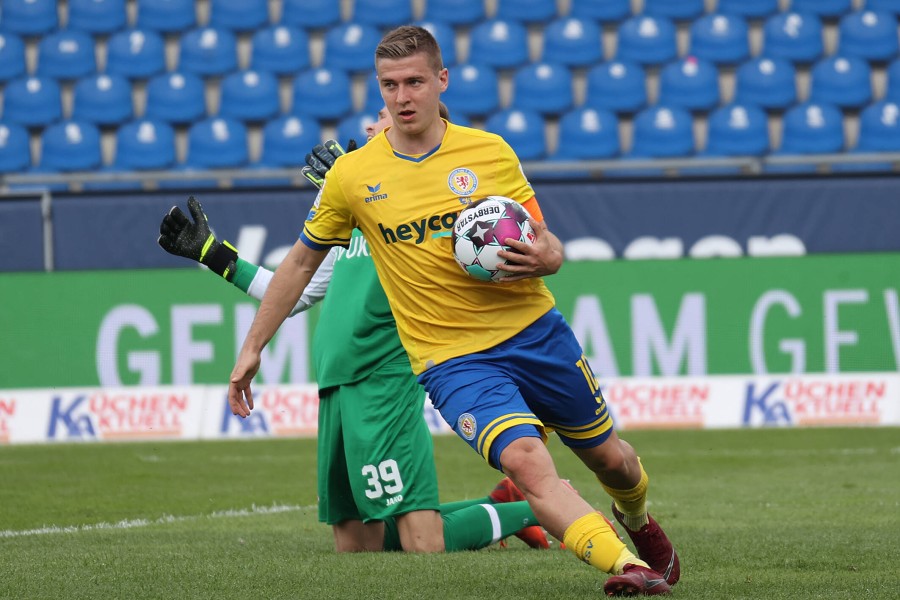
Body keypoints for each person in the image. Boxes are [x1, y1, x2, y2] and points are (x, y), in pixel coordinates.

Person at [228, 25, 679, 595]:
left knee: (611, 461)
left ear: (441, 81)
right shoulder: (353, 175)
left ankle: (639, 524)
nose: (402, 97)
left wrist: (548, 257)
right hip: (451, 358)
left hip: (533, 333)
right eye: (389, 85)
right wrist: (252, 347)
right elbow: (298, 265)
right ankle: (629, 570)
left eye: (415, 81)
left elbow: (548, 244)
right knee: (524, 459)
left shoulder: (489, 153)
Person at [158, 104, 552, 554]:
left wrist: (358, 184)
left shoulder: (420, 216)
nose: (370, 125)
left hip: (385, 376)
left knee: (424, 544)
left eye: (380, 116)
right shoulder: (356, 216)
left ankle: (539, 509)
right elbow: (295, 291)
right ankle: (502, 503)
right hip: (335, 382)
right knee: (357, 544)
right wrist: (213, 254)